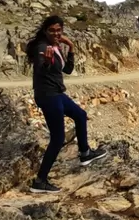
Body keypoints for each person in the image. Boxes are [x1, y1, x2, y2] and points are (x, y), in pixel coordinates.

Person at [26, 15, 107, 192]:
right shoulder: (42, 47)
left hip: (57, 93)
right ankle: (40, 181)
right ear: (45, 31)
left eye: (58, 30)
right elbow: (41, 68)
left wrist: (70, 47)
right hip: (48, 96)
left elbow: (68, 70)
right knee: (57, 139)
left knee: (80, 115)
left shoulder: (56, 46)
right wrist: (47, 63)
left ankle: (85, 154)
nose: (56, 33)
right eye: (52, 30)